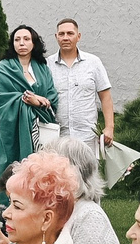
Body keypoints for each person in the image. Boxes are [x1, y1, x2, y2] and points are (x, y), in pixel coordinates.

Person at [0, 24, 60, 194]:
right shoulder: (3, 68)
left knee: (41, 170)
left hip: (40, 130)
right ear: (12, 44)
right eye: (17, 39)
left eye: (26, 39)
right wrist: (25, 99)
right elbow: (0, 98)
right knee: (14, 168)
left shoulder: (42, 68)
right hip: (14, 129)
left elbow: (52, 97)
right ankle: (11, 209)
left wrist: (38, 102)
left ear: (34, 43)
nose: (21, 43)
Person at [47, 18, 115, 150]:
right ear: (56, 37)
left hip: (87, 137)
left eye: (70, 33)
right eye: (61, 34)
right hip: (56, 138)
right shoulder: (47, 65)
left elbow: (105, 97)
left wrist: (109, 127)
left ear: (78, 36)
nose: (65, 37)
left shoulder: (93, 62)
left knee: (87, 171)